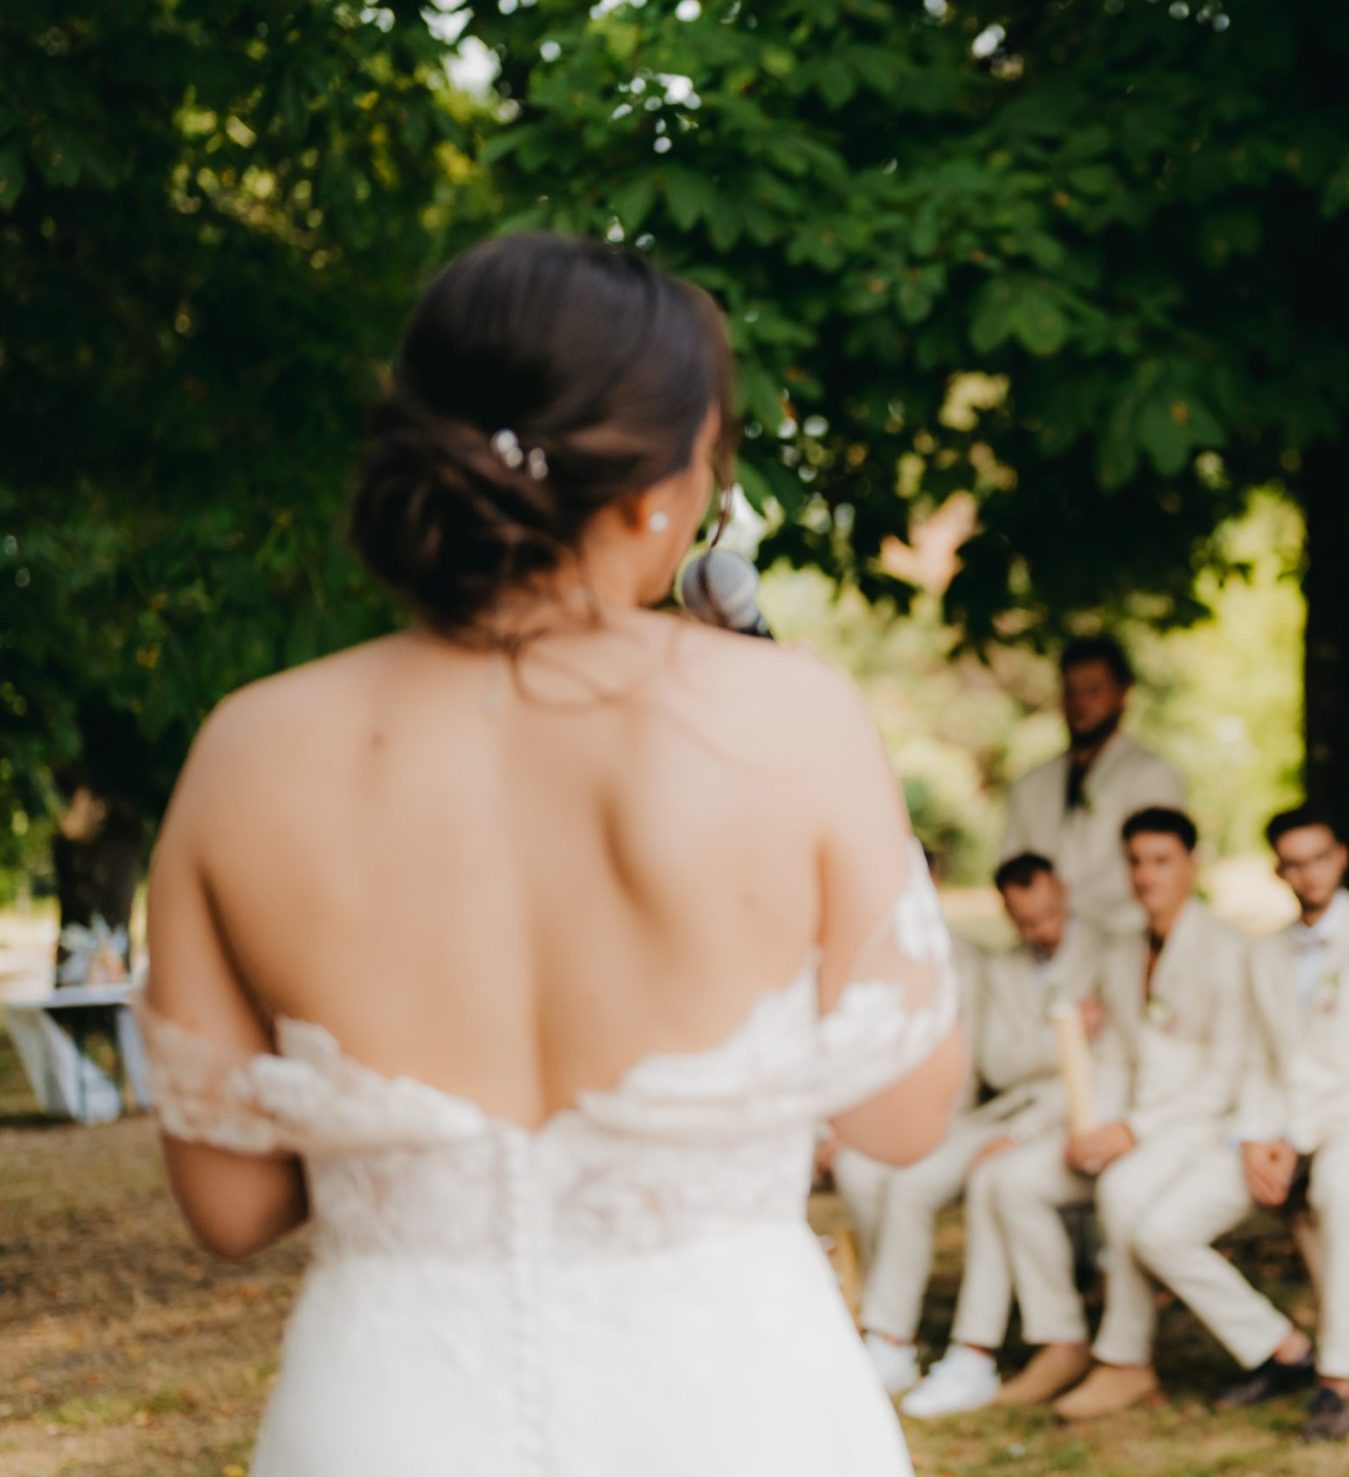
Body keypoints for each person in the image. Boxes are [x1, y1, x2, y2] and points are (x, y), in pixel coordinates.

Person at [137, 233, 966, 1477]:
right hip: (741, 1414)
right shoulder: (790, 719)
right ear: (667, 484)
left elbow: (233, 1207)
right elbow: (902, 1118)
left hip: (387, 1417)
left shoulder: (250, 747)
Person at [956, 807, 1254, 1420]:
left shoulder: (1228, 951)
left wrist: (1132, 1131)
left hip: (1199, 1126)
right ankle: (1060, 1339)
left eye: (1161, 860)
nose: (1147, 876)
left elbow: (1226, 1075)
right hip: (1126, 1121)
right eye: (1137, 862)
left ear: (1191, 864)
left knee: (1121, 1189)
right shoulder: (1122, 952)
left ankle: (1126, 1360)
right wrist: (1094, 1125)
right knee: (1013, 1181)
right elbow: (1113, 1054)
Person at [837, 853, 1095, 1398]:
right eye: (1024, 922)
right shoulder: (1005, 967)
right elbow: (999, 1062)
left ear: (1064, 892)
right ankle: (890, 1339)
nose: (1039, 931)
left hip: (1065, 1119)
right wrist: (1065, 1042)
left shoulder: (1105, 954)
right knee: (906, 1184)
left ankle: (973, 1352)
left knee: (992, 1181)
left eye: (1047, 915)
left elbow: (1108, 1062)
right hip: (999, 1114)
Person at [1216, 805, 1349, 1440]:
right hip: (1283, 1120)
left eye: (1319, 857)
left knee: (1335, 1184)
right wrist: (1256, 1136)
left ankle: (1335, 1380)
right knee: (1199, 1207)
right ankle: (1292, 1347)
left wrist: (1293, 1139)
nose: (1308, 873)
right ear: (1281, 870)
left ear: (1340, 858)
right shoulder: (1263, 953)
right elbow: (1255, 1059)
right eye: (1294, 863)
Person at [999, 636, 1185, 936]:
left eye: (1093, 691)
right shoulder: (1031, 784)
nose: (1080, 703)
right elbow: (1010, 868)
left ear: (1122, 694)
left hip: (1123, 942)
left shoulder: (1153, 774)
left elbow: (1155, 869)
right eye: (1070, 691)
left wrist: (1060, 902)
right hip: (1042, 946)